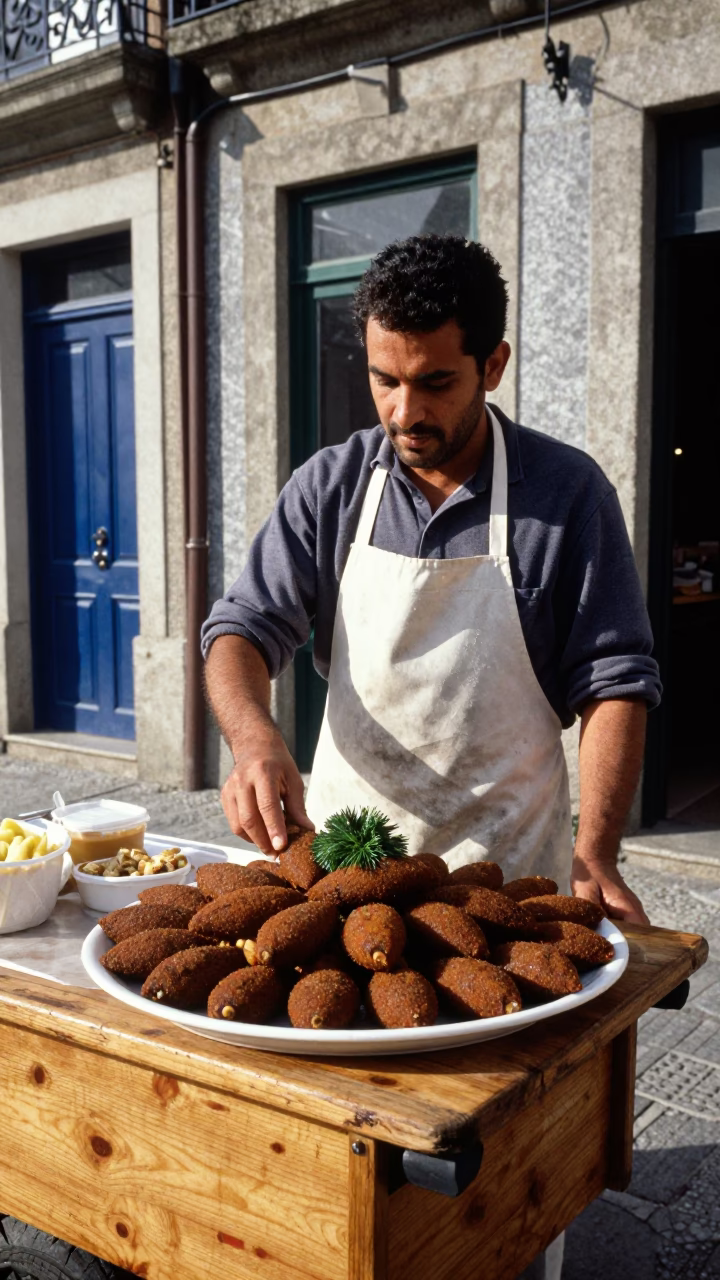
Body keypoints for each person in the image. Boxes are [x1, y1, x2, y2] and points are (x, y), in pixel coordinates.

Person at [203, 234, 659, 930]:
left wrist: (595, 853)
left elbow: (615, 680)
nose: (405, 412)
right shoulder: (331, 486)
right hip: (343, 872)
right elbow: (241, 627)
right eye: (385, 379)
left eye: (436, 382)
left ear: (493, 365)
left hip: (507, 883)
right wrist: (254, 740)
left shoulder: (568, 496)